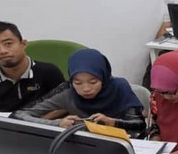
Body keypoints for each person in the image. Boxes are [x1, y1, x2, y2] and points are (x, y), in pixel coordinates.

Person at [12, 49, 145, 135]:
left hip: (123, 144)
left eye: (93, 82)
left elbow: (139, 125)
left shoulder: (119, 87)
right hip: (83, 144)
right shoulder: (67, 90)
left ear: (103, 77)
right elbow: (18, 115)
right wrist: (58, 123)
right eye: (78, 83)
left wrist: (112, 122)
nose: (86, 89)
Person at [0, 21, 64, 113]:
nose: (2, 51)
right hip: (1, 122)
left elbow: (64, 106)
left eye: (8, 43)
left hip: (42, 121)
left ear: (23, 44)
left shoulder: (49, 72)